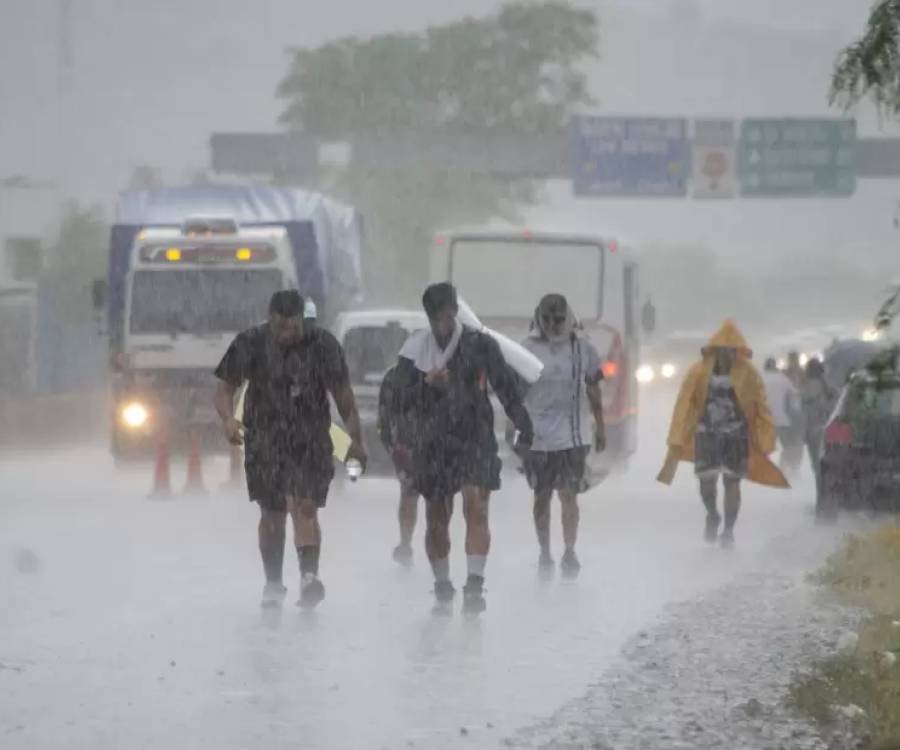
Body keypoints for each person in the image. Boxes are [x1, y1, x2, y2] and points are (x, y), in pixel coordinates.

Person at [213, 290, 366, 609]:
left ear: (303, 321)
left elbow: (344, 399)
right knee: (272, 515)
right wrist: (228, 420)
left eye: (294, 328)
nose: (288, 335)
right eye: (281, 328)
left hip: (311, 438)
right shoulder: (250, 343)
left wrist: (354, 441)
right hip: (265, 439)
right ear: (270, 319)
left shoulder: (323, 345)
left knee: (306, 505)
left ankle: (309, 577)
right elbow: (225, 389)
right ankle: (273, 582)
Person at [395, 283, 533, 613]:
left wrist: (524, 427)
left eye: (444, 316)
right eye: (434, 319)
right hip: (433, 440)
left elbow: (506, 389)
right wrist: (426, 386)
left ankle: (474, 584)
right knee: (438, 516)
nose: (440, 325)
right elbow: (399, 398)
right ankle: (442, 584)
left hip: (474, 435)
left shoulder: (480, 345)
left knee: (477, 505)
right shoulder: (416, 349)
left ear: (455, 312)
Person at [657, 321, 788, 547]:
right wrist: (678, 433)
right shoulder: (698, 372)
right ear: (715, 350)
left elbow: (761, 406)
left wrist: (765, 435)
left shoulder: (749, 374)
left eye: (731, 350)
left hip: (736, 437)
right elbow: (684, 403)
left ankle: (728, 530)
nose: (727, 355)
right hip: (705, 435)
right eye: (723, 350)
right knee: (706, 482)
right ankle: (712, 514)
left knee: (732, 482)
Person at [520, 293, 605, 578]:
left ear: (568, 317)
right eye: (547, 320)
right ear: (539, 318)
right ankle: (545, 551)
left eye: (558, 320)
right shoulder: (527, 348)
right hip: (538, 435)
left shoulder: (582, 347)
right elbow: (516, 393)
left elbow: (593, 387)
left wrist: (601, 426)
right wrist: (514, 427)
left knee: (569, 494)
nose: (553, 325)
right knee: (542, 496)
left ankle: (569, 550)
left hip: (573, 432)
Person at [377, 362, 420, 566]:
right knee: (411, 493)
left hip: (424, 445)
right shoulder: (395, 376)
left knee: (412, 494)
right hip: (408, 445)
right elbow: (384, 418)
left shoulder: (395, 375)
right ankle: (406, 543)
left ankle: (410, 543)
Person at [800, 358, 837, 506]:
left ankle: (822, 499)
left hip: (813, 432)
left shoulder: (807, 388)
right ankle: (827, 497)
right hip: (829, 431)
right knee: (827, 467)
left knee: (818, 468)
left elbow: (803, 413)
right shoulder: (829, 387)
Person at [761, 357, 803, 475]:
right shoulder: (782, 378)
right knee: (788, 444)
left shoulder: (759, 378)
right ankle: (784, 466)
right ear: (775, 366)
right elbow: (794, 392)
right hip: (780, 417)